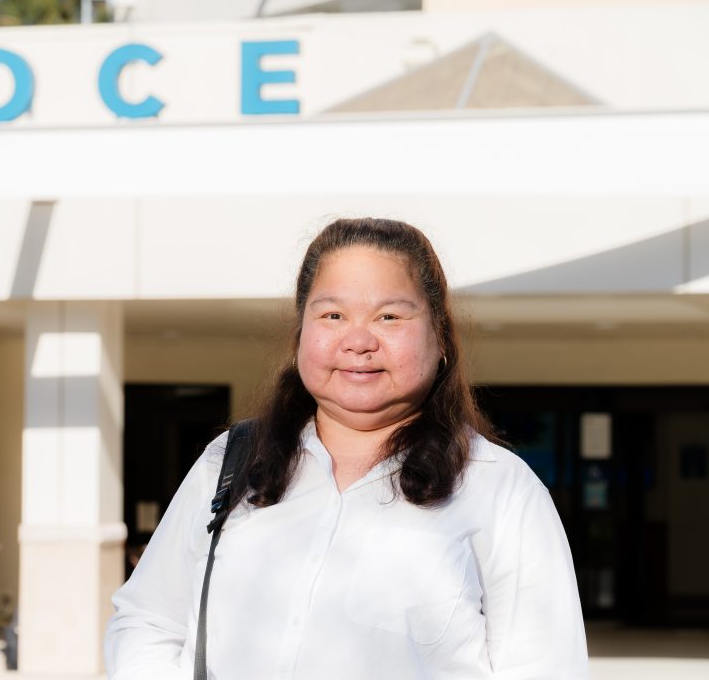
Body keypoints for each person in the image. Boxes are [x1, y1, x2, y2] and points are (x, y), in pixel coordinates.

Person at [105, 218, 588, 679]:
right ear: (301, 335)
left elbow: (543, 668)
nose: (358, 341)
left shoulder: (498, 487)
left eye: (389, 316)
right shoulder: (230, 462)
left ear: (440, 337)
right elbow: (149, 619)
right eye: (333, 315)